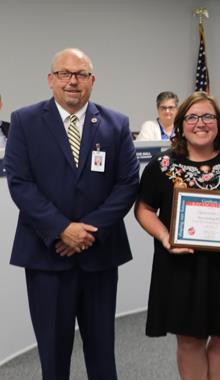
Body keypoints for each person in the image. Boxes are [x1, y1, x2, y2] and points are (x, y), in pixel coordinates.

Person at [4, 48, 139, 379]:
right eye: (65, 74)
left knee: (102, 352)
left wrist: (85, 231)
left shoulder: (116, 124)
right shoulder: (25, 121)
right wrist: (61, 229)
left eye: (80, 74)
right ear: (51, 80)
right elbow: (20, 183)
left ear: (92, 81)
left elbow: (127, 183)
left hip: (99, 256)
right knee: (52, 354)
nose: (73, 82)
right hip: (46, 256)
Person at [134, 91, 220, 380]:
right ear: (181, 124)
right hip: (182, 266)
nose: (200, 123)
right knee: (190, 340)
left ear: (218, 122)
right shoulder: (162, 165)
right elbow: (143, 209)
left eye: (207, 116)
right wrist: (165, 235)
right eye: (192, 117)